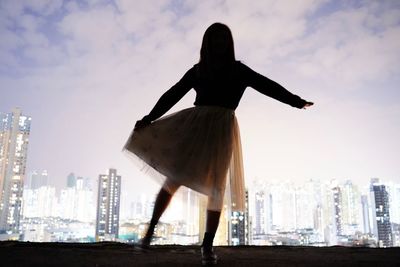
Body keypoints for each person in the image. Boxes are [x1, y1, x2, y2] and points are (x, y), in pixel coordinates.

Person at [123, 22, 313, 265]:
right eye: (216, 38)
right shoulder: (198, 70)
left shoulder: (238, 70)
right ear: (208, 43)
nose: (220, 42)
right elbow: (173, 93)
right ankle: (149, 233)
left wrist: (295, 101)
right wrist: (150, 117)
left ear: (229, 42)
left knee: (216, 188)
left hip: (222, 130)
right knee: (175, 178)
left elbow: (267, 86)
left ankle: (207, 246)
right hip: (195, 126)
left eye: (224, 38)